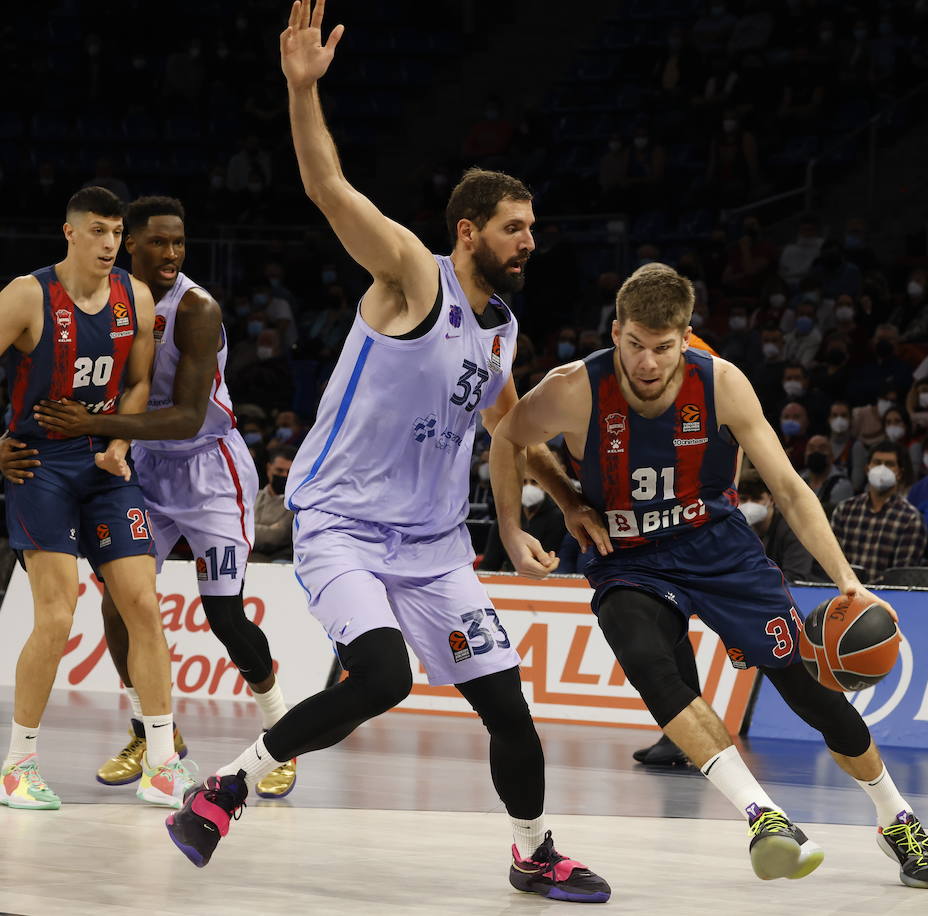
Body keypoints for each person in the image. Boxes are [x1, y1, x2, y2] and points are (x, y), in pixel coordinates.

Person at [166, 7, 610, 903]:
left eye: (533, 228)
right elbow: (329, 187)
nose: (531, 240)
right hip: (342, 526)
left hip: (435, 548)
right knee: (380, 677)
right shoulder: (412, 273)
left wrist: (545, 509)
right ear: (468, 230)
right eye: (515, 227)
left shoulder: (503, 329)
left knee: (506, 705)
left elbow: (507, 428)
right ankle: (228, 789)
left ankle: (532, 852)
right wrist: (302, 90)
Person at [491, 265, 928, 888]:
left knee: (811, 694)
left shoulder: (722, 383)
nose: (647, 363)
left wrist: (846, 579)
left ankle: (895, 816)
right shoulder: (575, 387)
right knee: (653, 669)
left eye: (662, 347)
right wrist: (550, 511)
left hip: (718, 547)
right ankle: (764, 818)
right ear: (616, 332)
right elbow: (507, 436)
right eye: (634, 346)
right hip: (628, 557)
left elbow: (787, 486)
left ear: (685, 337)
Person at [8, 195, 295, 798]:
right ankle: (151, 736)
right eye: (156, 242)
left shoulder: (196, 307)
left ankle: (280, 730)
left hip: (205, 467)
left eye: (179, 244)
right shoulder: (87, 294)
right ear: (127, 246)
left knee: (223, 615)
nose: (170, 253)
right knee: (122, 603)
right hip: (129, 461)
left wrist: (97, 429)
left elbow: (188, 417)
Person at [0, 187, 193, 810]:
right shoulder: (27, 295)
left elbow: (136, 381)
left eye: (117, 232)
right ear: (70, 233)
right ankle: (18, 766)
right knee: (57, 616)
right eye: (100, 231)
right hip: (40, 465)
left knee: (143, 604)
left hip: (104, 465)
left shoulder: (133, 297)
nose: (112, 243)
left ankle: (162, 764)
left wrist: (116, 439)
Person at [833, 440, 928, 582]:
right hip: (843, 594)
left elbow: (900, 576)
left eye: (889, 464)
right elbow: (832, 561)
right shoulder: (845, 510)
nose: (882, 468)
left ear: (899, 473)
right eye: (877, 462)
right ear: (867, 469)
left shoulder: (910, 518)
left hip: (885, 599)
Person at [738, 472, 816, 584]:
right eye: (743, 499)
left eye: (756, 499)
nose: (748, 505)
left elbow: (794, 578)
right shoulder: (741, 529)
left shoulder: (794, 529)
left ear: (772, 499)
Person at [479, 476, 567, 572]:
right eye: (523, 482)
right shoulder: (505, 519)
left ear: (545, 485)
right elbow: (489, 563)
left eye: (534, 482)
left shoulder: (560, 518)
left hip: (548, 579)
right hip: (512, 580)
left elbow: (560, 560)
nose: (528, 487)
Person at [252, 447, 296, 562]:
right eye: (279, 471)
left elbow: (276, 537)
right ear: (269, 468)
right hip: (245, 558)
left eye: (289, 472)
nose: (284, 476)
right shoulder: (252, 497)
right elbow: (236, 528)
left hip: (277, 561)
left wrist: (249, 528)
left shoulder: (296, 505)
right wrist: (268, 529)